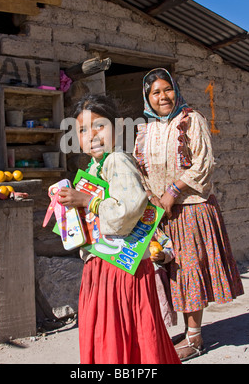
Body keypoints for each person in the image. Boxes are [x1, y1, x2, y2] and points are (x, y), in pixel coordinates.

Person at [58, 94, 181, 365]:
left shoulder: (117, 161)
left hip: (121, 270)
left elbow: (128, 208)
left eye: (99, 125)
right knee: (118, 331)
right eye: (82, 129)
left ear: (117, 127)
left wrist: (87, 201)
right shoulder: (94, 167)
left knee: (119, 330)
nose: (91, 135)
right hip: (105, 266)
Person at [133, 68, 244, 362]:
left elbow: (203, 163)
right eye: (155, 92)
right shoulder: (145, 130)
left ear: (176, 90)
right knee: (174, 272)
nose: (162, 97)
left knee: (190, 271)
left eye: (167, 89)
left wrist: (172, 190)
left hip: (192, 209)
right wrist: (152, 196)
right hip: (161, 214)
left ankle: (195, 339)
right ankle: (187, 330)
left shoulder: (191, 119)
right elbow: (140, 171)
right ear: (147, 98)